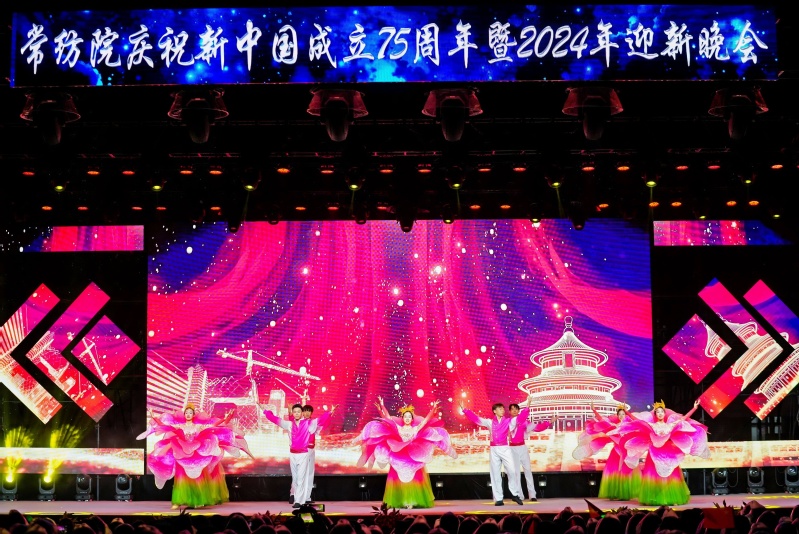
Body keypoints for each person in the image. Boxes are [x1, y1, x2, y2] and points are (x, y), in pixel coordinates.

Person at [137, 404, 253, 508]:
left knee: (198, 478)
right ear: (184, 415)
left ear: (193, 415)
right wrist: (154, 417)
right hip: (183, 454)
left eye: (190, 413)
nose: (188, 415)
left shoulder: (198, 427)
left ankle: (199, 500)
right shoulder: (180, 426)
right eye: (186, 413)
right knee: (183, 478)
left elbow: (214, 425)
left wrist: (226, 418)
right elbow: (164, 425)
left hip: (197, 456)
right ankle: (187, 499)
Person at [357, 396, 457, 509]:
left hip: (413, 458)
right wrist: (382, 406)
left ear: (412, 419)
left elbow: (425, 421)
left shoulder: (415, 429)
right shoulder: (399, 428)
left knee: (414, 480)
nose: (407, 418)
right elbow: (388, 419)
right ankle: (401, 500)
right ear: (403, 418)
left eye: (409, 416)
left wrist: (433, 409)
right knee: (398, 480)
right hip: (399, 457)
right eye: (405, 416)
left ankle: (412, 501)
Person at [619, 399, 709, 505]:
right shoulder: (652, 425)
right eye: (658, 412)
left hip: (669, 455)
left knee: (669, 475)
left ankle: (669, 498)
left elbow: (683, 418)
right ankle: (654, 498)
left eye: (662, 411)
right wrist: (627, 412)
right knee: (654, 476)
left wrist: (694, 408)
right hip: (654, 454)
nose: (660, 413)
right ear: (655, 414)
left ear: (664, 413)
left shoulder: (670, 425)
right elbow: (637, 420)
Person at [264, 403, 335, 508]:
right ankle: (295, 496)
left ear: (301, 413)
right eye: (295, 412)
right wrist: (266, 412)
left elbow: (320, 420)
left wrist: (329, 412)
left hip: (303, 453)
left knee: (302, 477)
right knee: (296, 477)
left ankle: (300, 501)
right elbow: (276, 420)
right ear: (293, 413)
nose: (297, 413)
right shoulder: (289, 424)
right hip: (293, 454)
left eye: (299, 412)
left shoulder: (309, 424)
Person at [459, 401, 525, 506]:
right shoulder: (489, 422)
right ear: (494, 411)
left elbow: (519, 419)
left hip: (505, 448)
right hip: (494, 449)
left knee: (512, 471)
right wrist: (465, 410)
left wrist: (527, 407)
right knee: (495, 474)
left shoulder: (508, 421)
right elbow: (477, 419)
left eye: (503, 409)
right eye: (500, 409)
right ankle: (499, 498)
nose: (502, 410)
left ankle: (514, 494)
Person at [572, 402, 640, 500]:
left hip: (627, 452)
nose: (621, 416)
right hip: (616, 452)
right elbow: (602, 421)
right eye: (620, 414)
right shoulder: (614, 426)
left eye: (623, 414)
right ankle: (617, 493)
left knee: (625, 472)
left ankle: (626, 493)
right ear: (617, 416)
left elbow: (638, 422)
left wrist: (628, 412)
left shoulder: (630, 426)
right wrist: (594, 410)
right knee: (615, 472)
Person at [508, 399, 554, 502]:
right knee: (516, 473)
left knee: (528, 470)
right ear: (509, 411)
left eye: (516, 409)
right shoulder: (509, 422)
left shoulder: (524, 422)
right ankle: (519, 495)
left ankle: (532, 494)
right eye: (512, 409)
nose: (514, 411)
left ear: (518, 411)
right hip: (512, 449)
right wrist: (528, 406)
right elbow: (519, 419)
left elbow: (537, 427)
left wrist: (549, 422)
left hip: (522, 447)